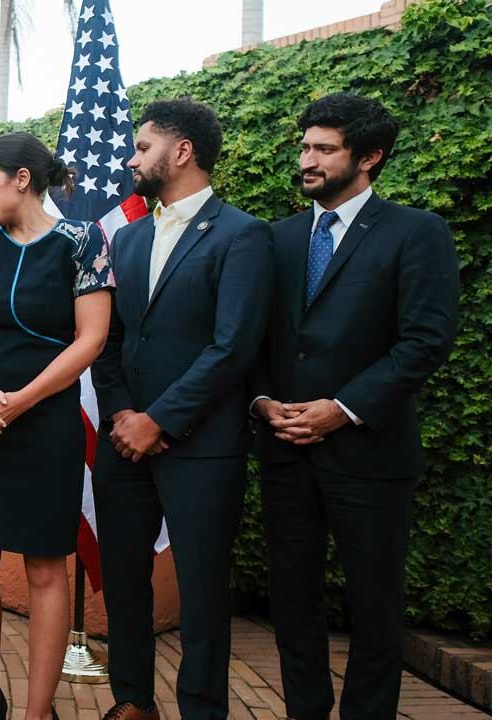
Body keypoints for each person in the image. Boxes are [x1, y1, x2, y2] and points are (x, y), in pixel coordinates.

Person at [250, 92, 459, 720]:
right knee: (292, 604)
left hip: (371, 456)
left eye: (323, 148)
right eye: (305, 145)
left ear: (369, 157)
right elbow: (252, 337)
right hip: (285, 452)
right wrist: (262, 402)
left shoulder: (416, 232)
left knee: (374, 609)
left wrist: (342, 408)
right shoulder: (276, 238)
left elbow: (425, 340)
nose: (306, 159)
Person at [90, 99, 274, 720]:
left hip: (201, 447)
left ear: (183, 151)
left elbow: (233, 347)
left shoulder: (242, 234)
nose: (133, 157)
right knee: (124, 585)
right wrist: (119, 415)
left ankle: (201, 710)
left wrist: (158, 420)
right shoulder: (132, 235)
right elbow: (110, 338)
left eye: (143, 147)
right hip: (122, 444)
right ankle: (132, 703)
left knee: (199, 593)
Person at [0, 132, 113, 720]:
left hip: (47, 420)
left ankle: (39, 711)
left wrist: (22, 401)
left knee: (45, 564)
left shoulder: (81, 242)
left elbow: (92, 337)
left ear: (21, 178)